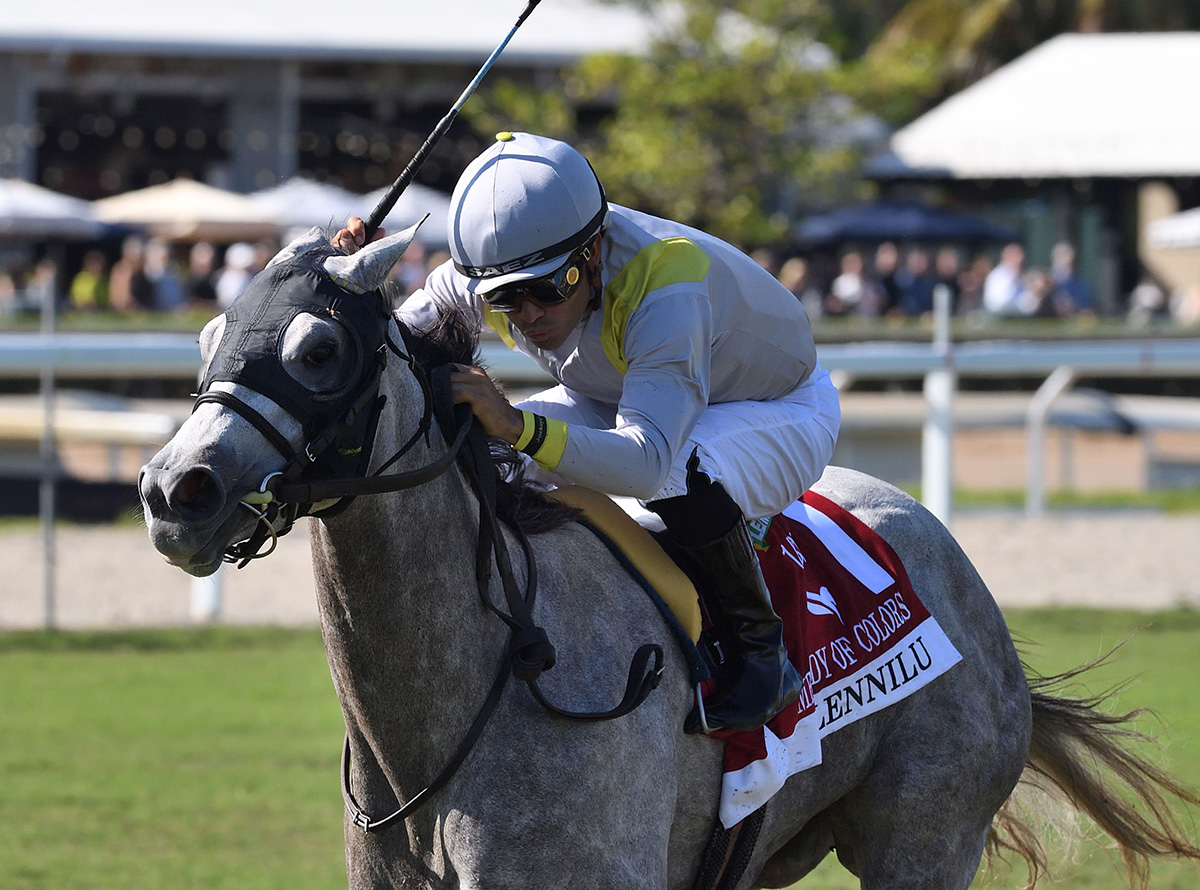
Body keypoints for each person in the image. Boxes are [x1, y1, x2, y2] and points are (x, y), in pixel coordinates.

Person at [337, 131, 841, 734]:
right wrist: (355, 292)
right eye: (505, 299)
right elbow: (388, 348)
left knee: (680, 465)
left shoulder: (667, 284)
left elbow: (648, 463)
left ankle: (761, 654)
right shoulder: (481, 273)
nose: (529, 315)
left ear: (595, 251)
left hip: (774, 408)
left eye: (551, 289)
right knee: (483, 452)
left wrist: (520, 424)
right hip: (620, 396)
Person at [982, 242, 1032, 316]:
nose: (1021, 259)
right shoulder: (999, 274)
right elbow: (998, 301)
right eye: (1017, 255)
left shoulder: (1016, 274)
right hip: (999, 311)